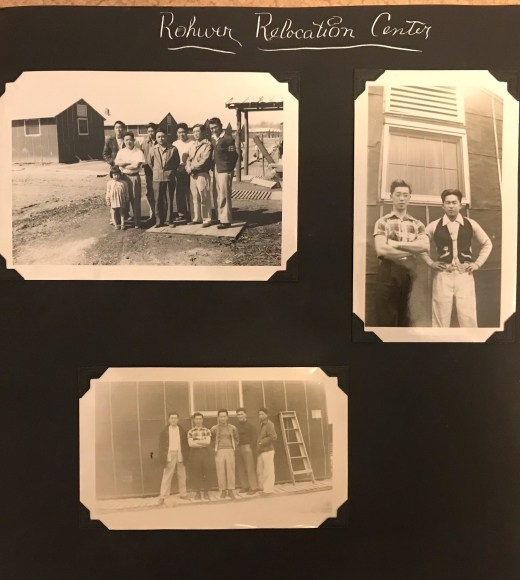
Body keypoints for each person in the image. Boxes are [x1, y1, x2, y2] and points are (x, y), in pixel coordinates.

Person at [421, 189, 492, 328]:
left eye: (454, 202)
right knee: (440, 319)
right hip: (443, 276)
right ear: (442, 206)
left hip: (464, 276)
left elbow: (487, 243)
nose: (451, 206)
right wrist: (430, 263)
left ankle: (471, 348)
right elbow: (420, 245)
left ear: (460, 205)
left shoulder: (471, 224)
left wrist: (477, 263)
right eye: (447, 203)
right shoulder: (434, 225)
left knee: (468, 318)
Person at [373, 179, 429, 327]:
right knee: (386, 317)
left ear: (410, 197)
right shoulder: (382, 222)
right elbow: (381, 250)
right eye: (398, 194)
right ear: (391, 196)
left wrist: (397, 244)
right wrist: (412, 249)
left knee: (408, 317)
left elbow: (424, 246)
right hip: (388, 270)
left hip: (410, 271)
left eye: (405, 195)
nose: (402, 198)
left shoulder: (418, 224)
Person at [209, 117, 238, 229]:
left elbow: (234, 155)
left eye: (215, 127)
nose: (214, 130)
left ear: (221, 126)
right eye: (211, 128)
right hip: (216, 169)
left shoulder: (228, 138)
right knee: (216, 194)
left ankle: (226, 220)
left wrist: (229, 169)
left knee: (224, 195)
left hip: (225, 170)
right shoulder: (213, 138)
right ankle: (220, 217)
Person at [149, 128, 180, 228]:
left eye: (163, 136)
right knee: (157, 200)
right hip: (157, 178)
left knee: (169, 199)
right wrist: (157, 171)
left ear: (166, 137)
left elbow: (176, 163)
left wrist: (170, 172)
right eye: (158, 137)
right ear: (156, 138)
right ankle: (159, 221)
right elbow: (150, 163)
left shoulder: (173, 149)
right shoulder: (152, 149)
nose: (161, 139)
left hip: (169, 177)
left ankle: (169, 220)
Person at [114, 132, 145, 229]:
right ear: (124, 141)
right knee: (122, 199)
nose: (129, 142)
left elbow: (136, 166)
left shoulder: (138, 152)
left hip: (135, 177)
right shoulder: (121, 152)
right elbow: (117, 163)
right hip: (123, 177)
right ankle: (121, 221)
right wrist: (128, 162)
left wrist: (124, 164)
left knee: (135, 199)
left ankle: (137, 222)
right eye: (126, 140)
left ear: (134, 140)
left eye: (130, 139)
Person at [158, 412, 190, 503]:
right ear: (169, 420)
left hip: (180, 453)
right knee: (167, 475)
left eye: (175, 418)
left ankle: (183, 494)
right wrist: (163, 456)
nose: (173, 420)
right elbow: (161, 446)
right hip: (169, 454)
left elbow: (185, 445)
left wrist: (185, 455)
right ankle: (163, 496)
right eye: (171, 418)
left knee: (182, 475)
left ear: (178, 420)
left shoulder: (182, 431)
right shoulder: (164, 432)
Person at [185, 124, 213, 227]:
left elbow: (205, 160)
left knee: (204, 196)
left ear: (203, 132)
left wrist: (192, 168)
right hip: (192, 175)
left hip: (202, 174)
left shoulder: (207, 145)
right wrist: (188, 167)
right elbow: (189, 158)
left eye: (198, 131)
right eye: (194, 131)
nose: (196, 133)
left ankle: (207, 219)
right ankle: (196, 218)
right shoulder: (193, 145)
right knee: (194, 196)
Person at [210, 409, 239, 499]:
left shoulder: (232, 428)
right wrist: (214, 449)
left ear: (227, 417)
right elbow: (211, 440)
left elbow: (237, 439)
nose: (222, 418)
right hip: (219, 451)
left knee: (230, 470)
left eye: (224, 416)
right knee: (220, 471)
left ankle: (230, 490)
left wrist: (233, 447)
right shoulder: (214, 428)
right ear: (218, 418)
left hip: (230, 450)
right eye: (221, 416)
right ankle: (222, 491)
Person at [187, 412, 213, 501]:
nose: (198, 421)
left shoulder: (207, 431)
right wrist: (202, 443)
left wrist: (196, 442)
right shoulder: (191, 431)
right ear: (194, 420)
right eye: (196, 419)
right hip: (195, 453)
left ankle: (206, 492)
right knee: (196, 472)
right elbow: (190, 444)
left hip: (205, 453)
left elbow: (208, 443)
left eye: (200, 419)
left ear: (202, 420)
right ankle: (198, 493)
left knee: (206, 472)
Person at [172, 123, 193, 224]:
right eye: (179, 132)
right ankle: (182, 213)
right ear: (177, 133)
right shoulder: (175, 144)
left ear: (187, 132)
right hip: (178, 168)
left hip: (189, 168)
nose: (182, 134)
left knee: (190, 192)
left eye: (183, 132)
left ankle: (192, 213)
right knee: (179, 192)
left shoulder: (192, 143)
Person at [235, 407, 258, 495]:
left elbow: (254, 436)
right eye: (238, 414)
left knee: (250, 468)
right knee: (241, 468)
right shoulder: (236, 426)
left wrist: (250, 447)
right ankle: (245, 486)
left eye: (241, 414)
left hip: (247, 447)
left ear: (245, 415)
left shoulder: (250, 425)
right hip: (238, 447)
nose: (240, 416)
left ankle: (253, 487)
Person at [256, 407, 277, 495]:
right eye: (259, 414)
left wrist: (261, 442)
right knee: (260, 471)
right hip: (261, 451)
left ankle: (269, 490)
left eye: (262, 414)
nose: (260, 416)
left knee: (268, 471)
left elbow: (273, 437)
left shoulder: (269, 424)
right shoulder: (261, 424)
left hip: (267, 451)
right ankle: (263, 488)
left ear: (266, 415)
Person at [140, 123, 157, 223]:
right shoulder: (145, 142)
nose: (151, 133)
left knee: (159, 192)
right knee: (149, 192)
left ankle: (161, 213)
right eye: (149, 131)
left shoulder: (160, 139)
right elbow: (141, 155)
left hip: (158, 170)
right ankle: (153, 213)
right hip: (148, 171)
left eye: (152, 131)